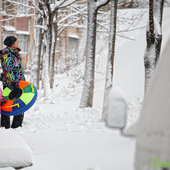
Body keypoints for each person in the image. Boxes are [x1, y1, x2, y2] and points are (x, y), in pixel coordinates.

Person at [0, 36, 25, 129]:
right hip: (10, 82)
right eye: (16, 41)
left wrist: (22, 80)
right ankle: (5, 125)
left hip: (19, 81)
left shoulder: (16, 53)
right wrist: (14, 82)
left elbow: (19, 68)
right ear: (11, 43)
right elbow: (8, 69)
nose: (17, 42)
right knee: (8, 103)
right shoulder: (6, 53)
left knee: (19, 103)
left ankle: (17, 125)